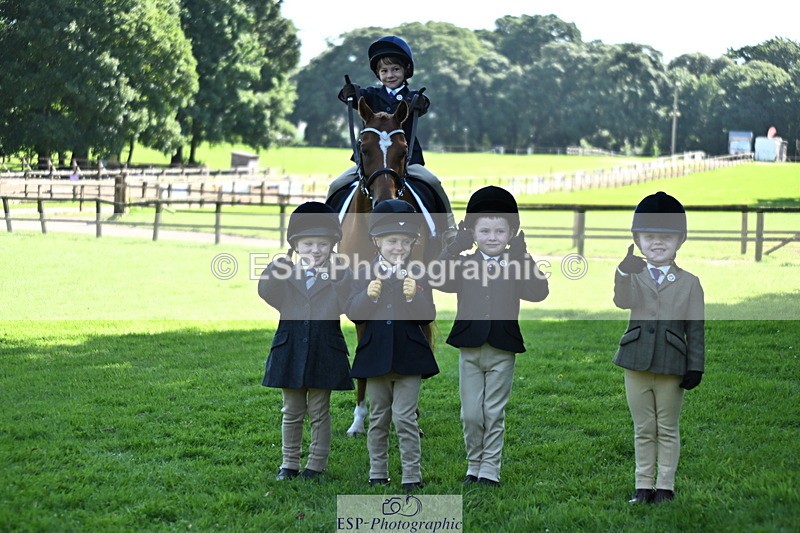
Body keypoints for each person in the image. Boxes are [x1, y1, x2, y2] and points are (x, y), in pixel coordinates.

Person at [432, 185, 549, 486]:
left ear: (511, 234)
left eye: (500, 231)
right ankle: (474, 464)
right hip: (470, 349)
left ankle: (489, 470)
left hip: (502, 349)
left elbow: (539, 292)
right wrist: (454, 247)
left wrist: (524, 258)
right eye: (484, 231)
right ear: (472, 233)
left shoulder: (515, 264)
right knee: (471, 414)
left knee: (492, 412)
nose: (493, 237)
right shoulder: (463, 263)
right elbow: (435, 278)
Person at [613, 191, 705, 504]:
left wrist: (696, 365)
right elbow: (622, 300)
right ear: (637, 240)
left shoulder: (690, 282)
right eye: (649, 236)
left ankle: (665, 487)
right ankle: (642, 487)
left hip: (671, 365)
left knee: (667, 427)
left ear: (680, 240)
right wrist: (623, 271)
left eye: (666, 237)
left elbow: (695, 328)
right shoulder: (633, 274)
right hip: (635, 361)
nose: (657, 243)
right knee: (643, 428)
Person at [345, 199, 439, 493]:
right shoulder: (362, 272)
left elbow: (428, 316)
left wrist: (415, 297)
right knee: (379, 418)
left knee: (404, 417)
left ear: (413, 244)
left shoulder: (419, 273)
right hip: (375, 359)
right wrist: (367, 297)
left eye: (404, 242)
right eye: (391, 241)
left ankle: (412, 474)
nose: (398, 247)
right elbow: (354, 313)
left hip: (410, 359)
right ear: (376, 241)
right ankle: (378, 472)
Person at [258, 202, 354, 481]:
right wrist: (276, 268)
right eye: (308, 244)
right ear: (296, 247)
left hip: (325, 350)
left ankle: (315, 465)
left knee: (320, 411)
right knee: (291, 410)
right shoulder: (286, 273)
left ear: (332, 246)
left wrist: (338, 276)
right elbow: (267, 293)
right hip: (290, 350)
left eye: (322, 244)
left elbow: (348, 303)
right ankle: (288, 464)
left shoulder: (340, 273)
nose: (315, 250)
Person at [330, 35, 455, 235]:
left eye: (395, 69)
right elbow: (352, 97)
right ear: (378, 74)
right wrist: (347, 93)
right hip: (370, 162)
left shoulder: (413, 97)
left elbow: (423, 104)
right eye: (384, 71)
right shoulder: (370, 95)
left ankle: (449, 229)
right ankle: (329, 231)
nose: (390, 75)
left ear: (406, 70)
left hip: (405, 160)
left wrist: (421, 103)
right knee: (336, 184)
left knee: (433, 182)